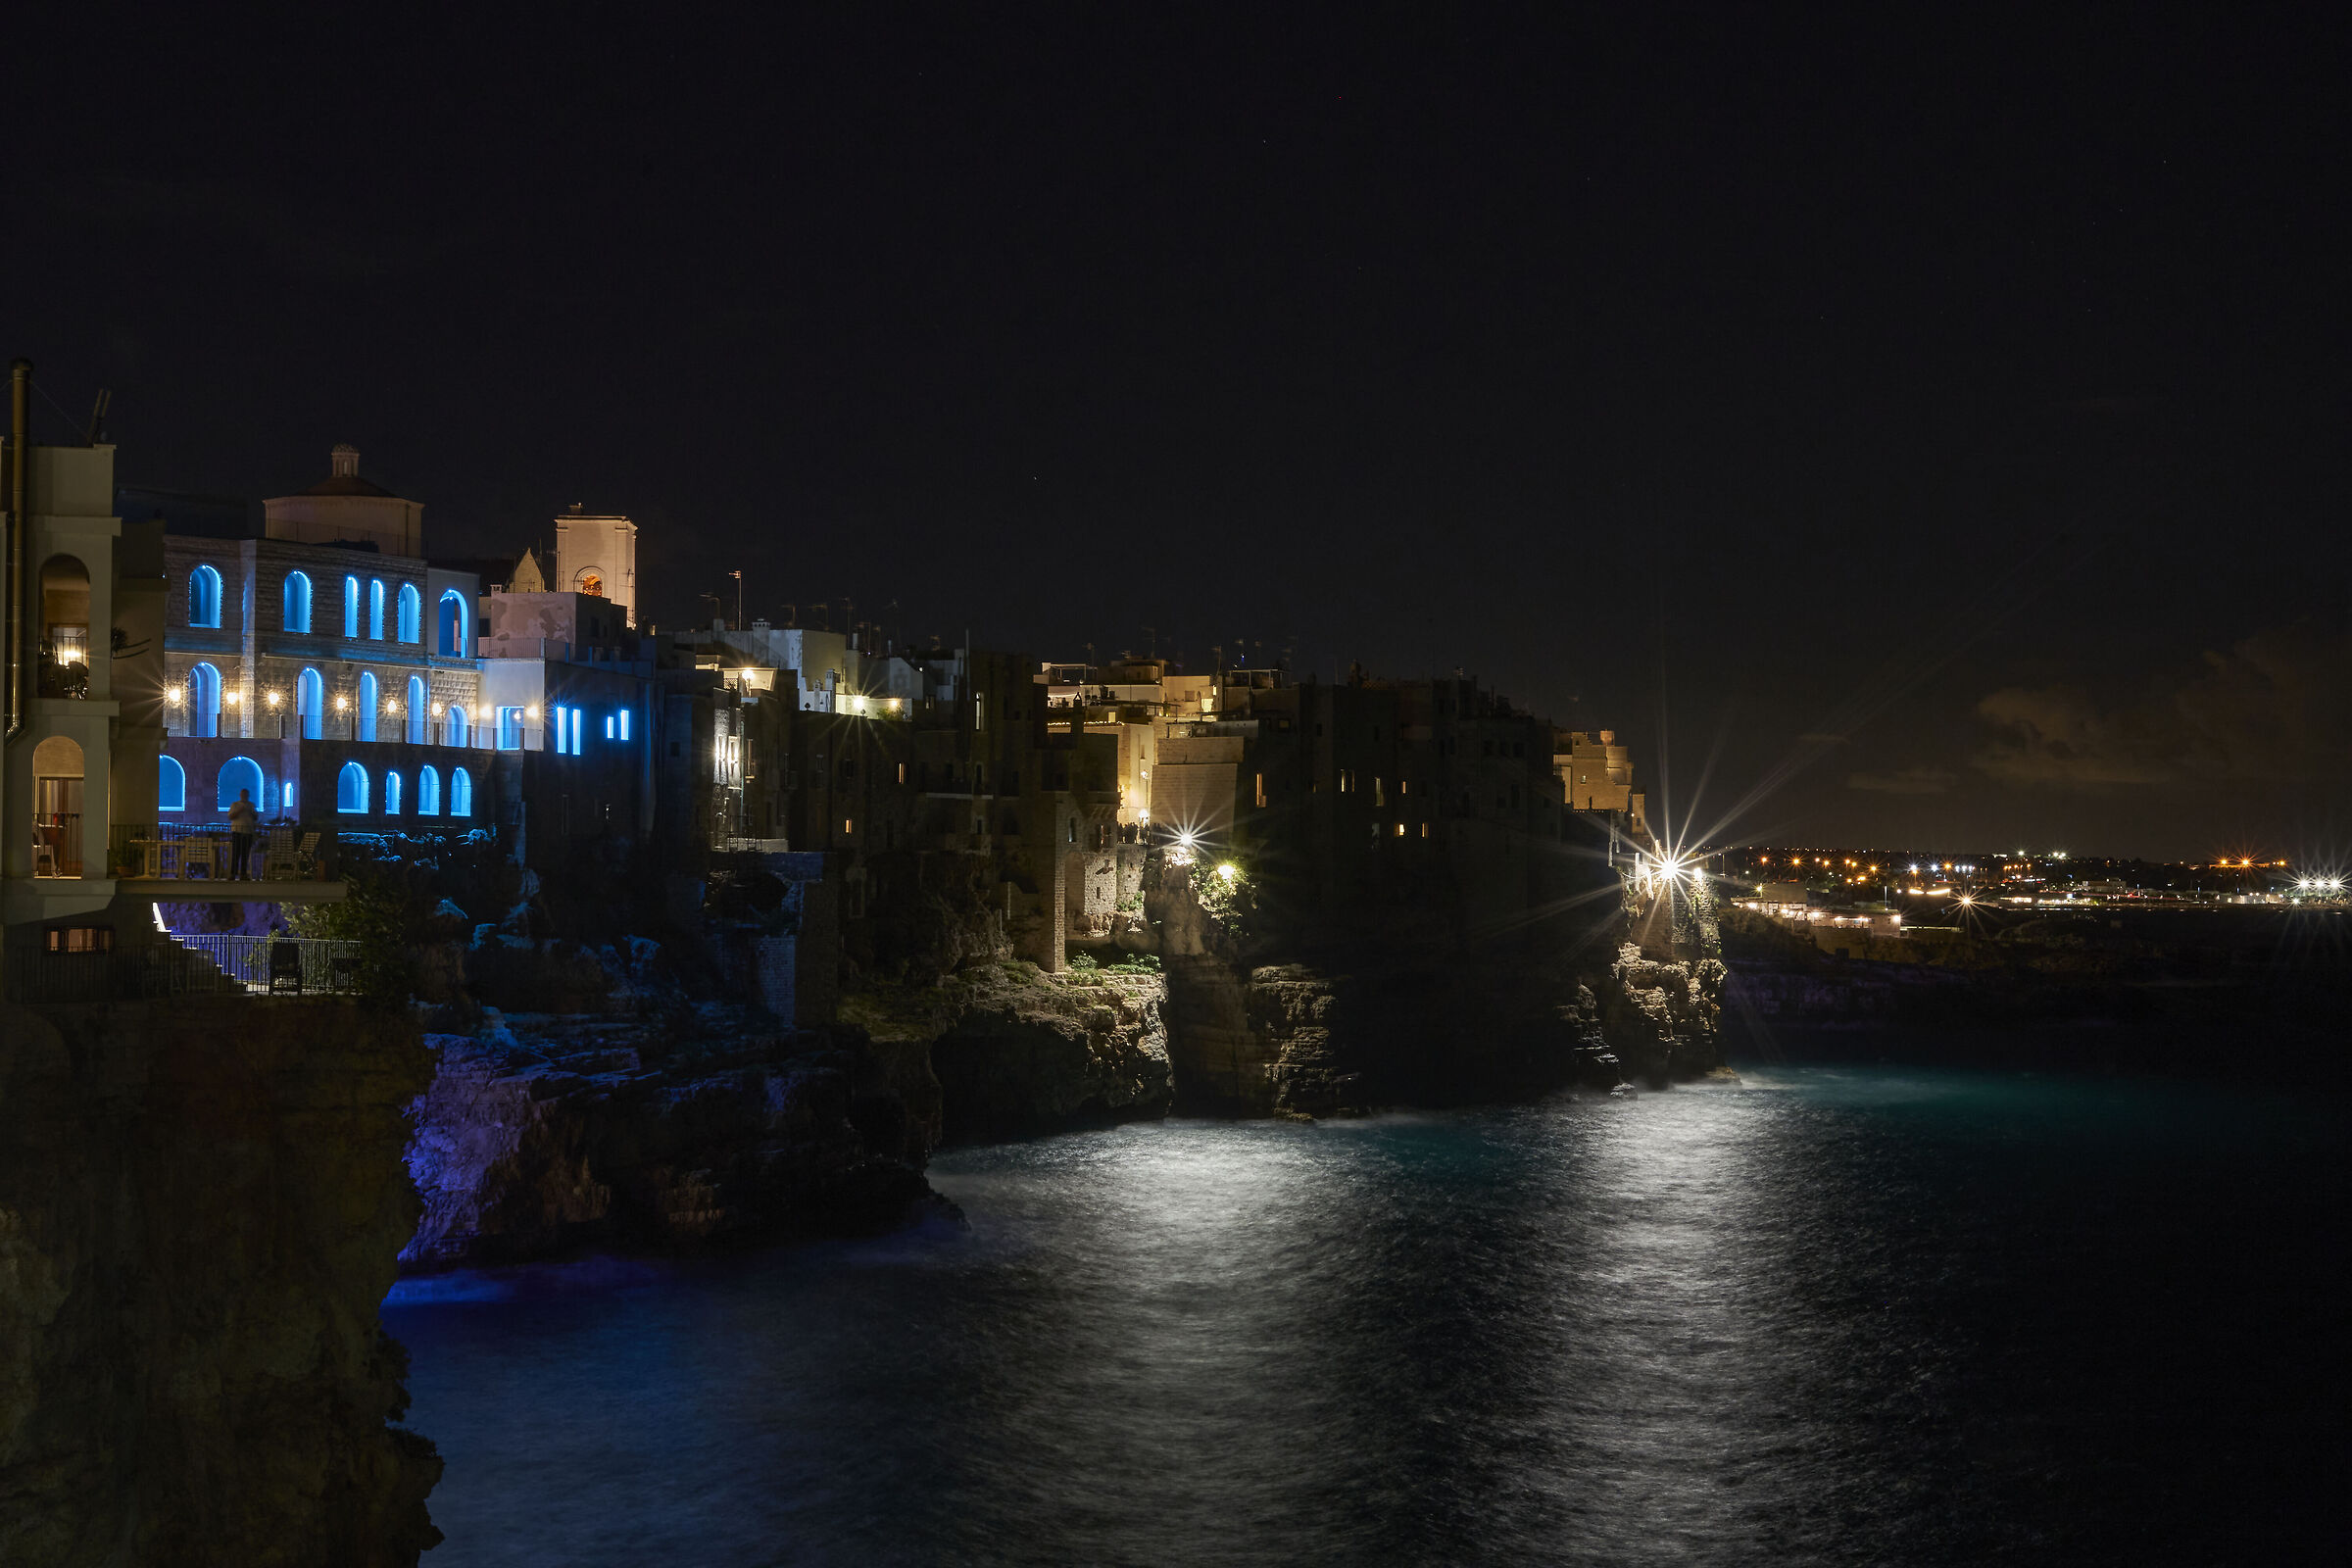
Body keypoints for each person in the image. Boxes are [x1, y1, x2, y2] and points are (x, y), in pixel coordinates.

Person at [228, 788, 259, 879]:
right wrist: (240, 811)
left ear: (248, 796)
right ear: (240, 795)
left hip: (248, 832)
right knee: (236, 853)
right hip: (237, 831)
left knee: (245, 854)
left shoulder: (251, 805)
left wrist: (249, 811)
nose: (244, 796)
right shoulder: (235, 805)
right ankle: (233, 873)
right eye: (243, 794)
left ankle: (243, 874)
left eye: (246, 794)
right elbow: (231, 816)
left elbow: (255, 817)